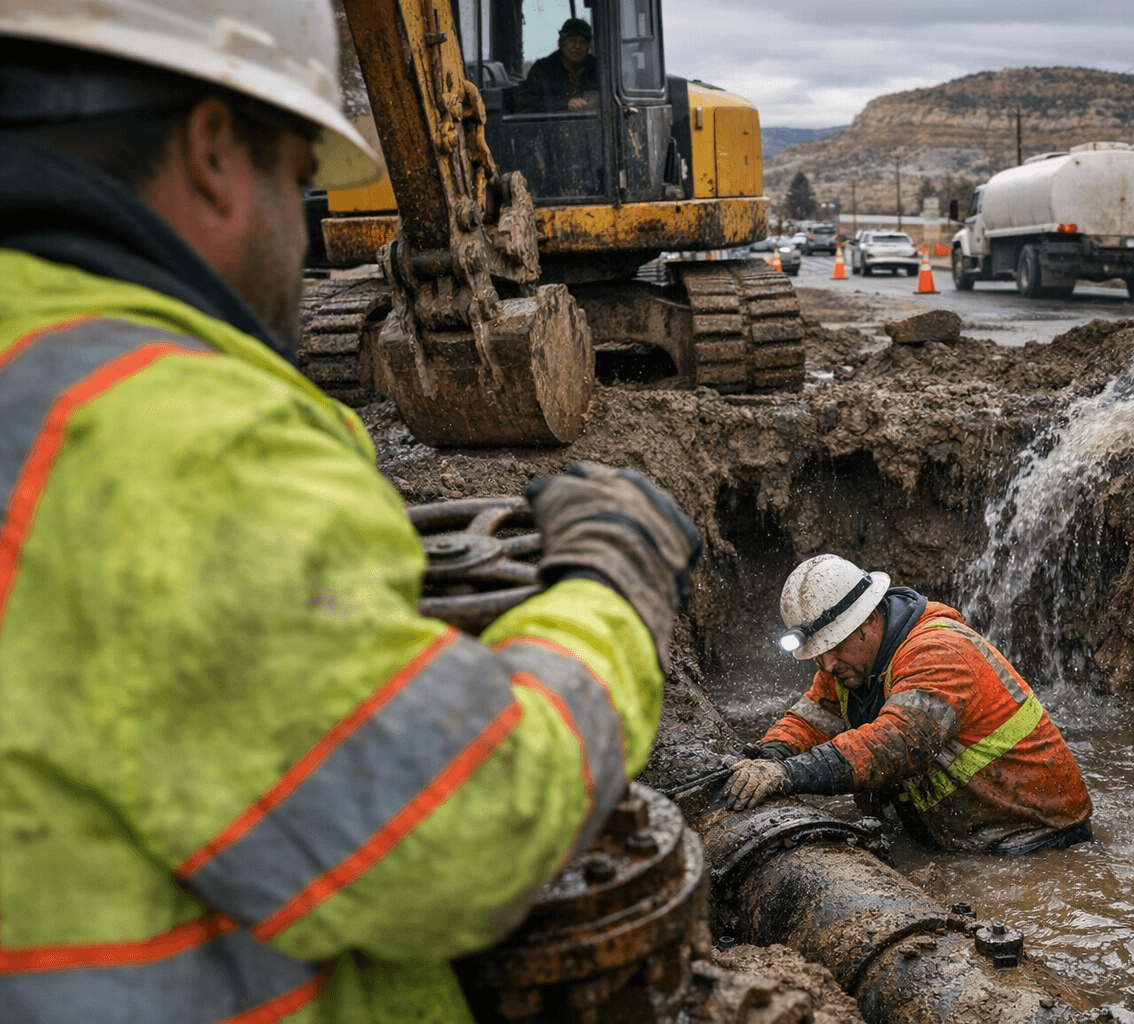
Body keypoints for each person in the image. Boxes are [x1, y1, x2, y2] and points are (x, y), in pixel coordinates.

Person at [0, 2, 698, 1021]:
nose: (303, 224)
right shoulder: (177, 440)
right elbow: (464, 824)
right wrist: (610, 591)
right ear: (212, 153)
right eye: (301, 180)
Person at [725, 554, 1094, 855]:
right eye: (817, 655)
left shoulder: (939, 652)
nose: (827, 665)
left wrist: (790, 775)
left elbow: (897, 743)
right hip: (967, 837)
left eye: (834, 648)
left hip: (1036, 841)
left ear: (870, 620)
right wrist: (769, 755)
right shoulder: (849, 665)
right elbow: (811, 718)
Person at [517, 17, 599, 113]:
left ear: (588, 47)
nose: (577, 46)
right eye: (572, 40)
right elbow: (525, 103)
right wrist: (564, 104)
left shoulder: (598, 68)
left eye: (583, 42)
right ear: (562, 43)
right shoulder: (542, 70)